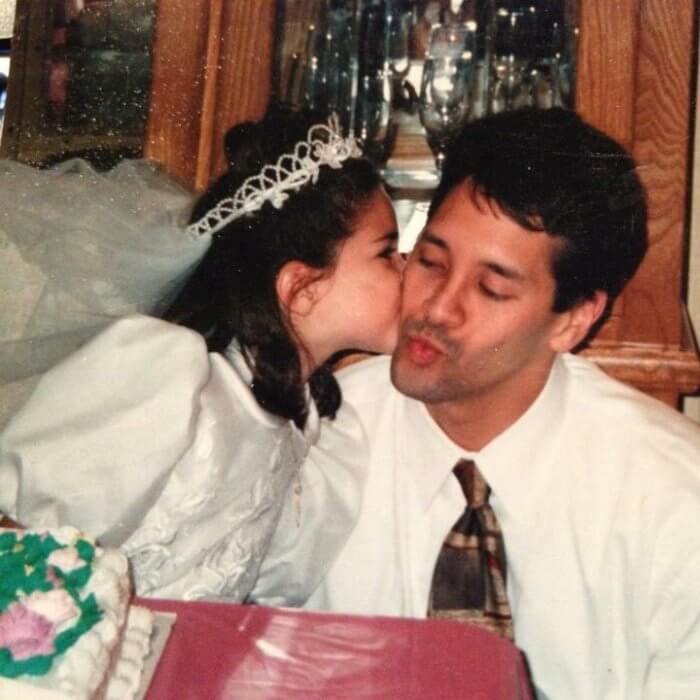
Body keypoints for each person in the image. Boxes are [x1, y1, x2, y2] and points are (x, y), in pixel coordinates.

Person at [253, 108, 700, 698]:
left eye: (492, 288)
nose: (437, 307)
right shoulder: (307, 438)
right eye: (431, 261)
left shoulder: (673, 498)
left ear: (574, 318)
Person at [0, 107, 403, 601]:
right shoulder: (174, 374)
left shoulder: (305, 430)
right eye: (387, 252)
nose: (409, 269)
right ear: (301, 288)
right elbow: (21, 536)